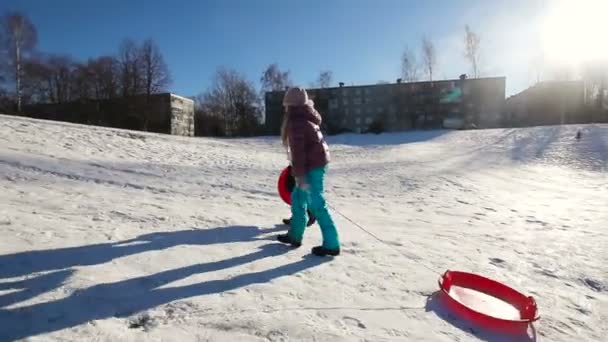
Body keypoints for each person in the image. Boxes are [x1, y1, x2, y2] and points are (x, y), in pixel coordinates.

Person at [276, 87, 340, 256]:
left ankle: (332, 244)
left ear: (291, 105)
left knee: (316, 203)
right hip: (314, 163)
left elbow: (299, 152)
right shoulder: (305, 118)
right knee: (298, 198)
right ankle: (295, 235)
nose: (285, 108)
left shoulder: (297, 122)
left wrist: (302, 177)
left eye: (286, 105)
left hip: (313, 166)